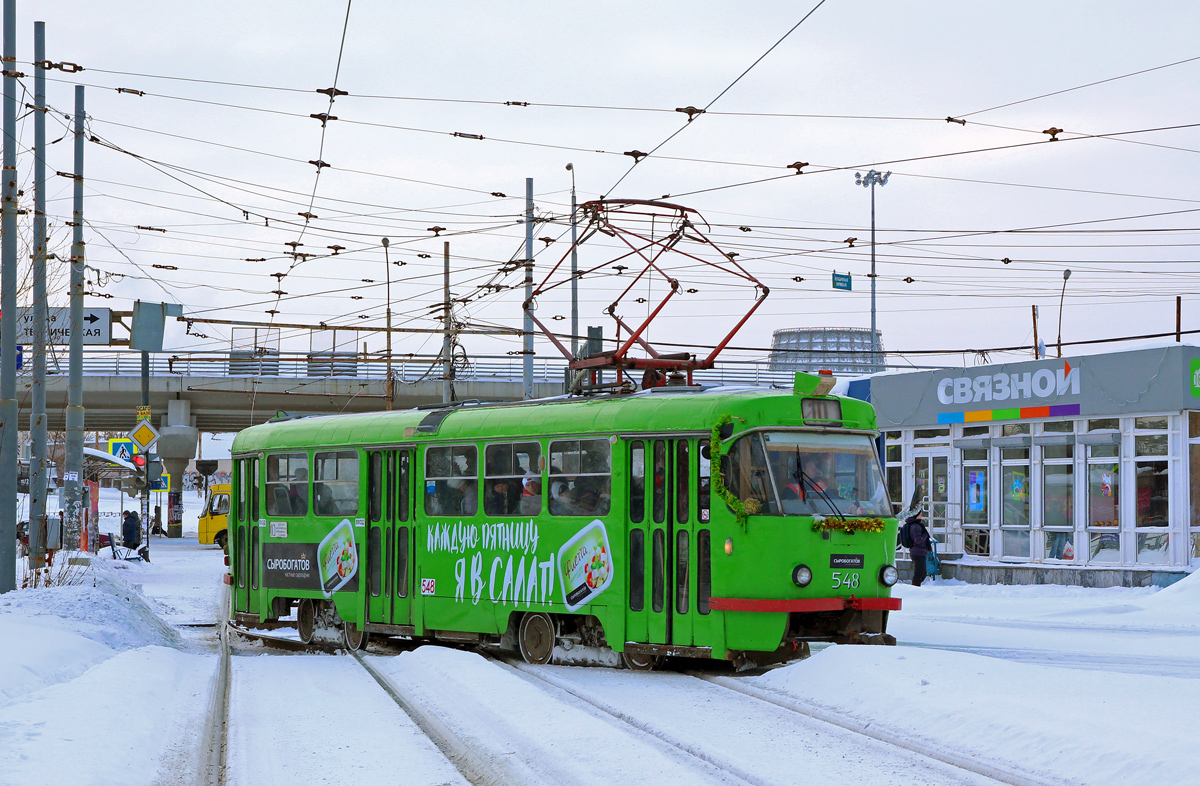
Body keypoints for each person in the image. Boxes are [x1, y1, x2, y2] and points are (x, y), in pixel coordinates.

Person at [905, 511, 931, 586]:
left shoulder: (915, 525)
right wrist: (925, 535)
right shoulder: (916, 526)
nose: (922, 516)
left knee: (921, 573)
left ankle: (916, 588)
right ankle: (915, 589)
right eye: (920, 514)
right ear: (916, 515)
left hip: (918, 551)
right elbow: (918, 540)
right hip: (918, 552)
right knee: (920, 574)